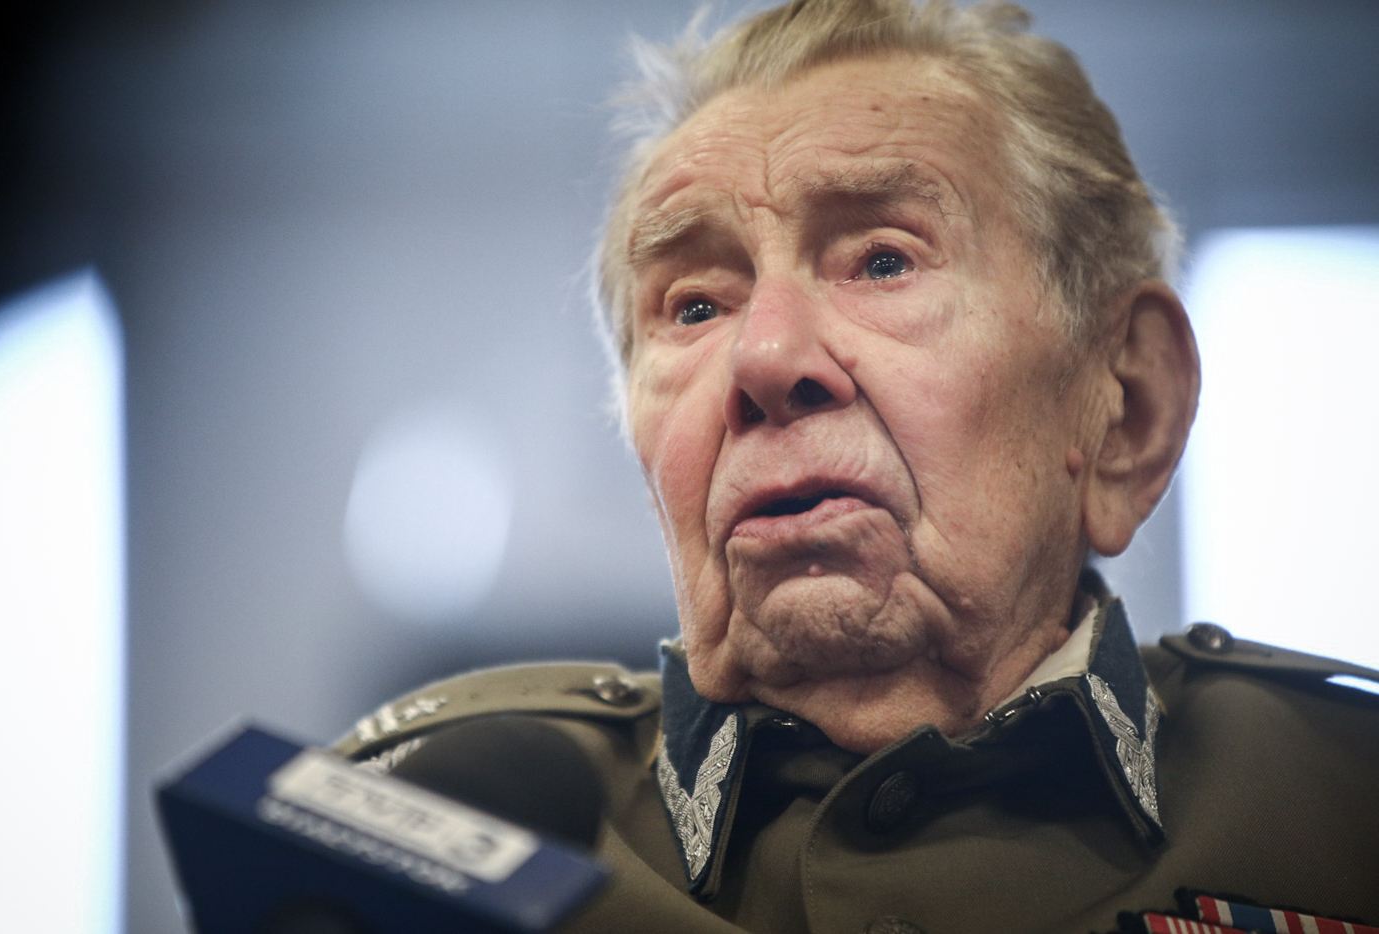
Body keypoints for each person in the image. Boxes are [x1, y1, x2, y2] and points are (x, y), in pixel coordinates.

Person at [336, 2, 1379, 931]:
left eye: (882, 261)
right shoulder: (431, 818)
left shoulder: (1345, 808)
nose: (763, 359)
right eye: (694, 306)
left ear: (1125, 407)